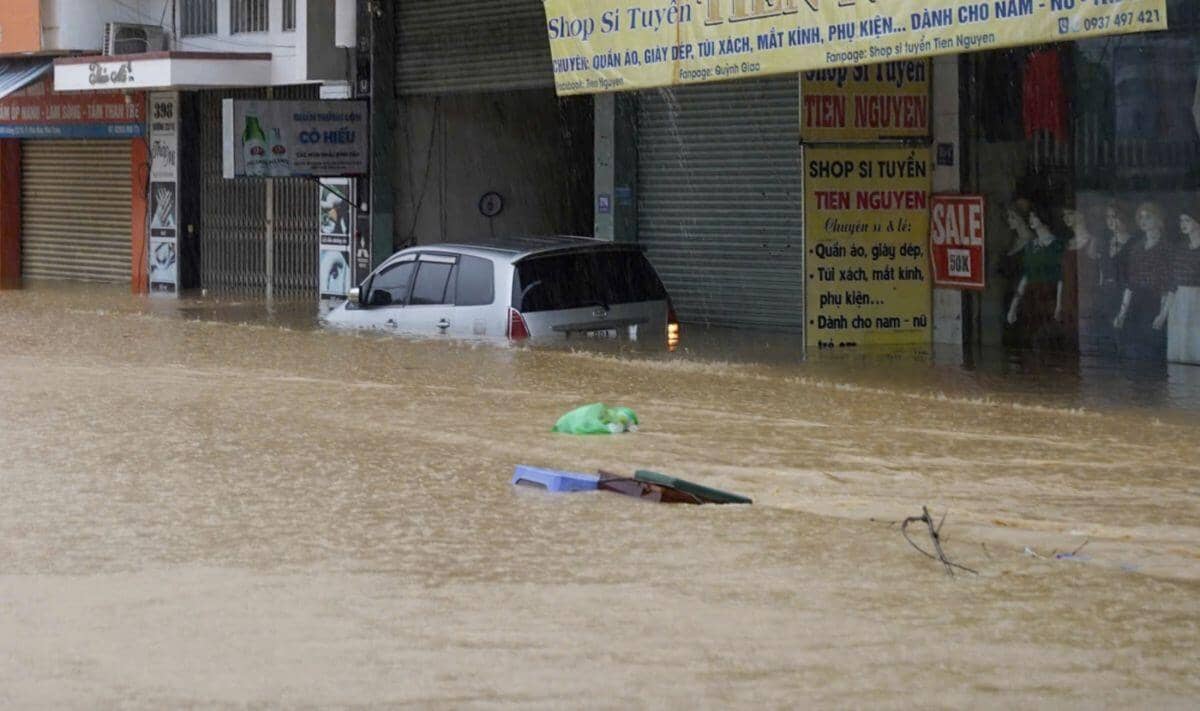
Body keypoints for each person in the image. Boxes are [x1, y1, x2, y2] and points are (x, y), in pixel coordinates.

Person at [1114, 201, 1173, 360]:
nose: (1143, 221)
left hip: (1156, 303)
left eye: (1148, 217)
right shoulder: (1136, 248)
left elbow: (1168, 285)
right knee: (1133, 351)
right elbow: (1130, 284)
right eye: (1140, 217)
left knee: (1152, 352)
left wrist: (1162, 314)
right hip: (1136, 304)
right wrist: (1122, 312)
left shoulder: (1166, 248)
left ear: (1158, 219)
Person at [1007, 205, 1066, 348]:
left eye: (1034, 217)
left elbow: (1060, 277)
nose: (1031, 219)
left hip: (1049, 296)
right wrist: (1013, 306)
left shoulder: (1057, 245)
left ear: (1043, 219)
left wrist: (1059, 305)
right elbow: (1026, 277)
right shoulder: (1030, 246)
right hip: (1032, 298)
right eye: (1030, 217)